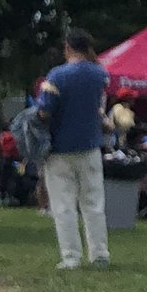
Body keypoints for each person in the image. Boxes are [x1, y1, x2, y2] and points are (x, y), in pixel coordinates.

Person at [38, 29, 111, 271]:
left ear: (67, 47)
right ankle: (100, 253)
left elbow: (45, 110)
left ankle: (71, 257)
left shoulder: (57, 75)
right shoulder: (100, 74)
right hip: (90, 147)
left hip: (59, 149)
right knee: (93, 202)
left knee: (64, 205)